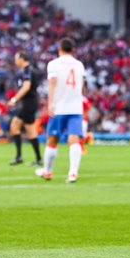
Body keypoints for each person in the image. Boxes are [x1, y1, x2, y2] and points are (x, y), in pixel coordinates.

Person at [35, 38, 86, 183]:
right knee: (74, 139)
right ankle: (73, 173)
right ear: (73, 50)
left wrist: (50, 104)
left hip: (59, 107)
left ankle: (47, 171)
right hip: (76, 107)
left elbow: (52, 83)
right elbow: (83, 85)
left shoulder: (53, 64)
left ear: (59, 49)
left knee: (52, 139)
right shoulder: (79, 65)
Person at [7, 51, 42, 166]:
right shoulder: (29, 71)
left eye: (16, 58)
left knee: (15, 125)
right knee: (30, 131)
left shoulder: (27, 70)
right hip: (30, 103)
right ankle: (37, 158)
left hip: (28, 103)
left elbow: (26, 87)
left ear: (22, 59)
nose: (15, 61)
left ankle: (19, 157)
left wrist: (14, 99)